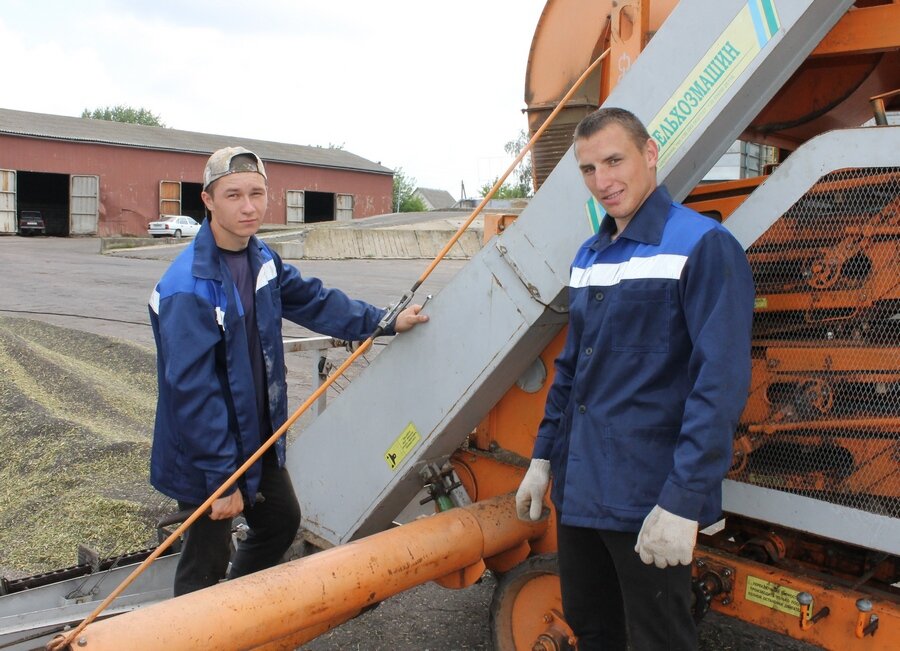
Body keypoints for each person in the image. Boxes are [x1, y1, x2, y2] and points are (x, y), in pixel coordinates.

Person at [515, 108, 754, 650]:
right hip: (580, 491)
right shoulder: (589, 256)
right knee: (593, 629)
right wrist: (542, 458)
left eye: (614, 161)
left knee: (657, 639)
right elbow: (572, 369)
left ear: (649, 154)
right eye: (589, 169)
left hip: (648, 498)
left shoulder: (702, 245)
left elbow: (719, 384)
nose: (603, 181)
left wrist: (683, 500)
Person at [149, 146, 428, 596]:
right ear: (208, 200)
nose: (248, 207)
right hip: (206, 450)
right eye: (234, 195)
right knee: (205, 560)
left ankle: (237, 608)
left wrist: (384, 320)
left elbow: (315, 301)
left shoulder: (261, 259)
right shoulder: (188, 286)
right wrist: (222, 480)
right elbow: (192, 392)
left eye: (257, 193)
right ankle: (196, 625)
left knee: (280, 521)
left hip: (256, 436)